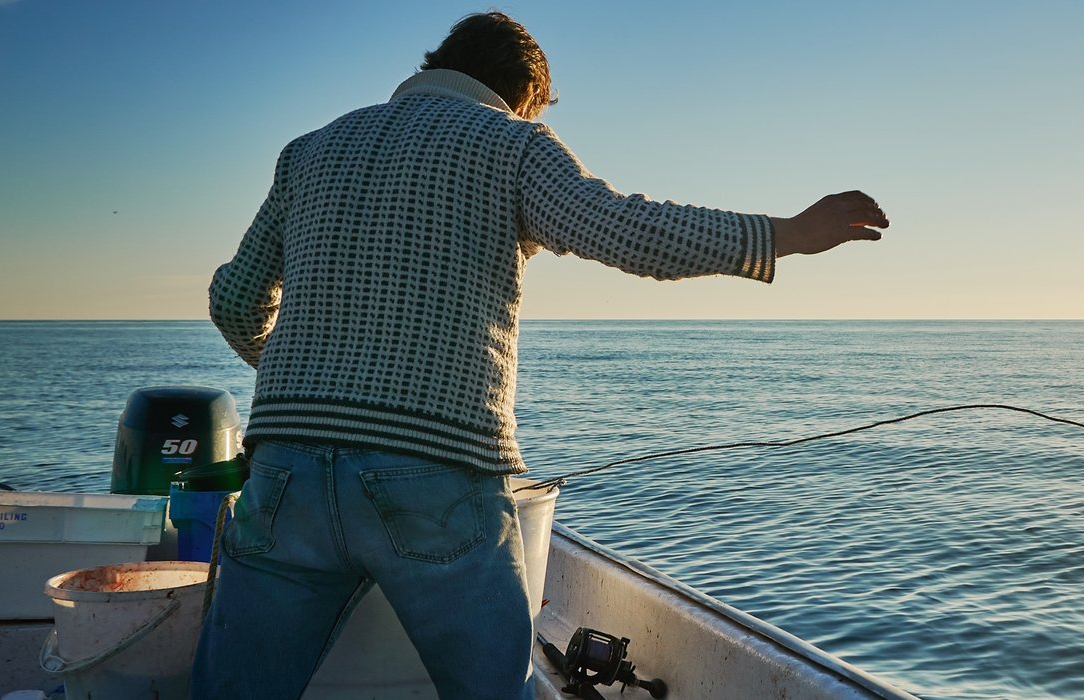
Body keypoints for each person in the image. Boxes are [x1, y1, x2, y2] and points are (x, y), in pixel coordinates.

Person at [196, 11, 887, 699]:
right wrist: (785, 234)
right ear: (525, 95)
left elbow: (235, 300)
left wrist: (302, 382)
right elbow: (627, 231)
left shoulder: (310, 151)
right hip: (435, 472)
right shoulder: (511, 144)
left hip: (285, 473)